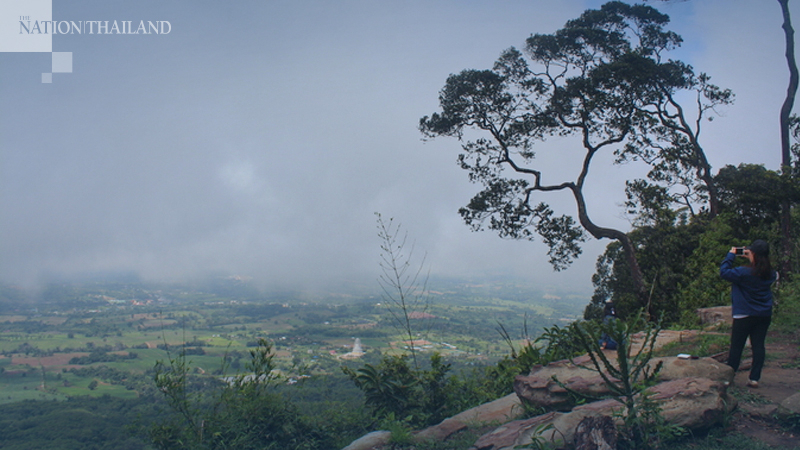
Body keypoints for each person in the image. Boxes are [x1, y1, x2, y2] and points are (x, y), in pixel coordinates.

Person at [719, 239, 777, 388]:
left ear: (754, 254)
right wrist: (753, 259)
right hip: (763, 315)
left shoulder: (743, 272)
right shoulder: (770, 274)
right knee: (758, 345)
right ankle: (754, 378)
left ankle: (729, 377)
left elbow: (724, 272)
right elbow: (769, 273)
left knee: (736, 347)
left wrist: (731, 255)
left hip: (744, 314)